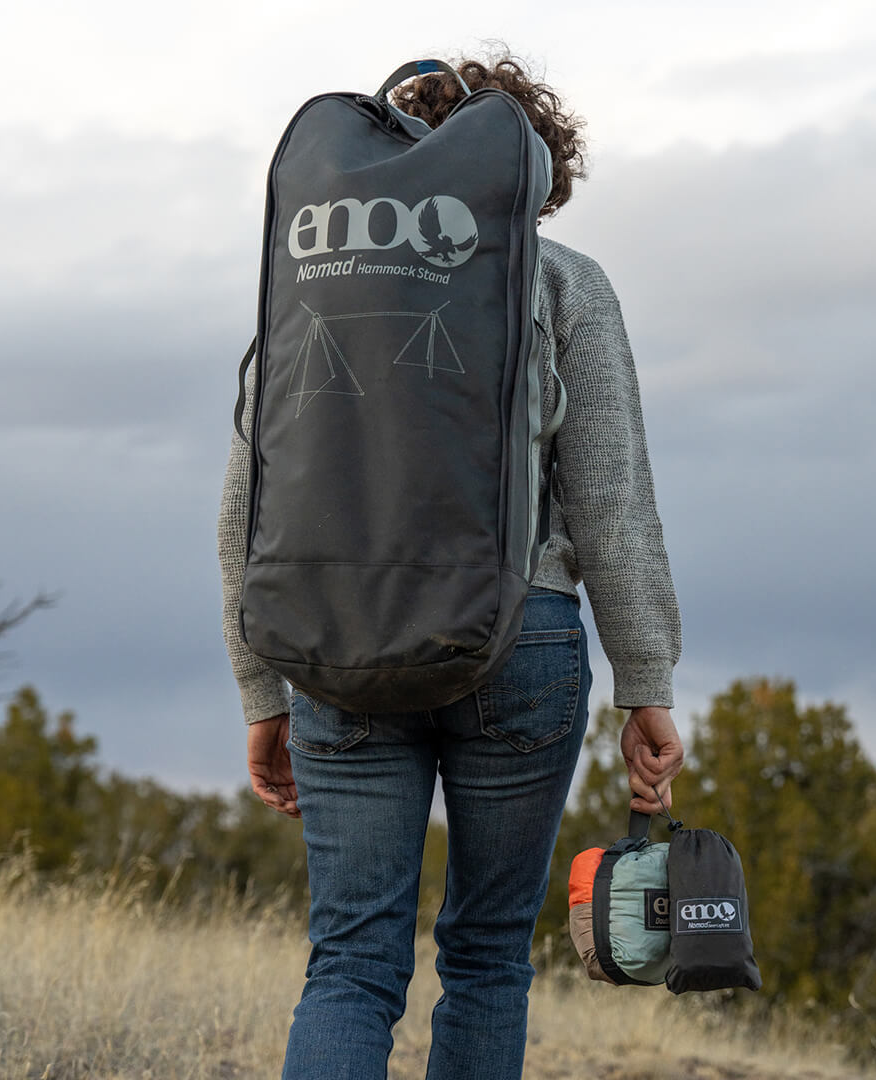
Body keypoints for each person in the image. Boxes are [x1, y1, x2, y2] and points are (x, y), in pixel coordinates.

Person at [218, 54, 684, 1080]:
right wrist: (644, 684)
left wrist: (262, 693)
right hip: (523, 643)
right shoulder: (565, 285)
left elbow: (245, 507)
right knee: (482, 957)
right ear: (532, 174)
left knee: (349, 967)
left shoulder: (312, 282)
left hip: (336, 649)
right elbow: (612, 506)